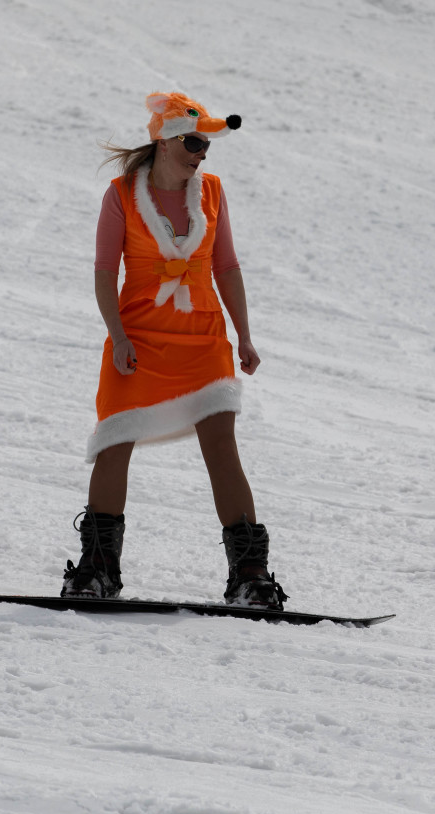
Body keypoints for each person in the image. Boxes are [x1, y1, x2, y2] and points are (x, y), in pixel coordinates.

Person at [60, 91, 288, 610]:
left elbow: (226, 267)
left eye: (205, 145)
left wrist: (244, 335)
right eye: (191, 142)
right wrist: (117, 336)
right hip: (137, 339)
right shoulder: (121, 195)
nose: (200, 153)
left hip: (203, 338)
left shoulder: (211, 192)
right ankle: (97, 570)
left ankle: (251, 576)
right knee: (114, 446)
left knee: (221, 449)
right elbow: (103, 273)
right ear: (163, 140)